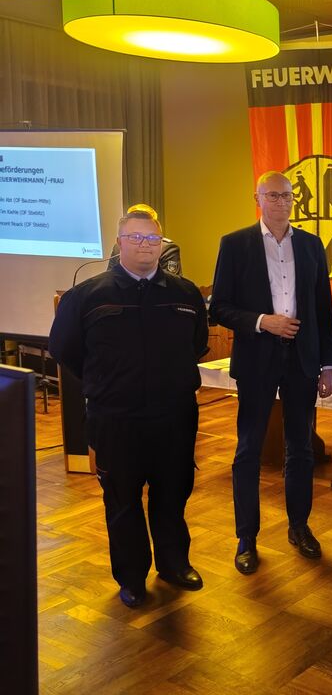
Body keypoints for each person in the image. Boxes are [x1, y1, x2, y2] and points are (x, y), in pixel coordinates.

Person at [49, 210, 208, 608]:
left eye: (152, 238)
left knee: (173, 494)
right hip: (115, 419)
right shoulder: (86, 296)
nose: (144, 245)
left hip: (174, 417)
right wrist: (108, 382)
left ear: (162, 244)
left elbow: (197, 345)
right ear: (119, 243)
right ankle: (132, 577)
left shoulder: (186, 293)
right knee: (122, 501)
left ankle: (174, 564)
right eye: (135, 237)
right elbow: (65, 350)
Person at [210, 171, 332, 575]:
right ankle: (246, 538)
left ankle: (299, 527)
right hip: (257, 359)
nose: (281, 202)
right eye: (273, 195)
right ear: (258, 198)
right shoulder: (235, 244)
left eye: (286, 196)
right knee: (248, 449)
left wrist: (328, 363)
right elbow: (219, 307)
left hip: (302, 360)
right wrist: (263, 321)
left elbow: (323, 309)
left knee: (301, 449)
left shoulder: (311, 244)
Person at [106, 203, 182, 275]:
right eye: (135, 237)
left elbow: (170, 280)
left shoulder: (167, 248)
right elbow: (110, 277)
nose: (144, 244)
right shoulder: (118, 247)